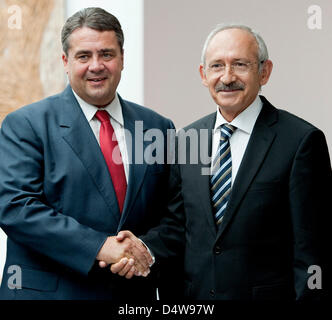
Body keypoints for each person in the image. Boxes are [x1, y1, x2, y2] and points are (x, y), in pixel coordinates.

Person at [111, 24, 331, 300]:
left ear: (264, 71)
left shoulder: (300, 142)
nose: (227, 77)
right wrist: (142, 249)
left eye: (240, 64)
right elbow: (178, 228)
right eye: (217, 66)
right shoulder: (187, 140)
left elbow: (312, 249)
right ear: (203, 74)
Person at [0, 7, 174, 300]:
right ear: (66, 62)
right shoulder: (25, 124)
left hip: (131, 298)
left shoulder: (158, 127)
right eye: (84, 56)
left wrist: (143, 249)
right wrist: (98, 246)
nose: (96, 66)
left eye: (106, 54)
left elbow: (174, 212)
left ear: (122, 59)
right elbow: (16, 207)